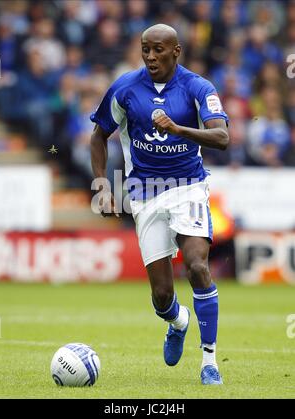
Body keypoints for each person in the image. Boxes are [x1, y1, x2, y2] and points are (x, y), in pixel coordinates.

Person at [90, 24, 229, 385]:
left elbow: (222, 137)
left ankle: (209, 362)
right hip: (145, 193)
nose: (151, 56)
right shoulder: (124, 88)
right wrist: (102, 182)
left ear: (176, 51)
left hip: (189, 188)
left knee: (197, 266)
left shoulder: (198, 87)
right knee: (162, 296)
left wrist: (180, 129)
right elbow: (98, 135)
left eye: (158, 50)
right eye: (145, 49)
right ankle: (178, 322)